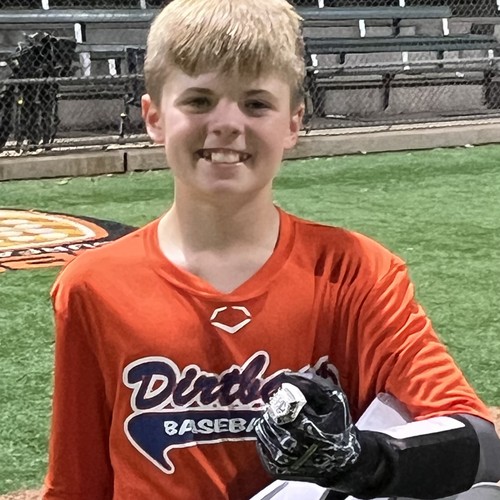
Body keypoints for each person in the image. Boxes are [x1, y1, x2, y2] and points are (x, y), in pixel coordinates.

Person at [42, 0, 500, 499]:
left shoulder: (354, 272)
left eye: (256, 104)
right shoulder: (94, 285)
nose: (226, 123)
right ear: (154, 117)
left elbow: (478, 442)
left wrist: (359, 458)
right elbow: (76, 482)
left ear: (293, 124)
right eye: (199, 101)